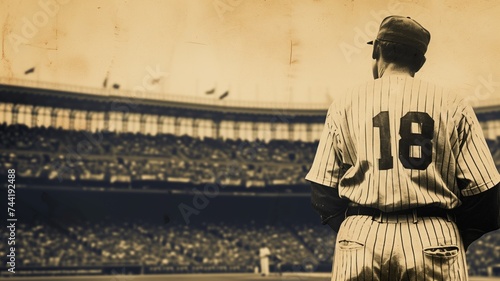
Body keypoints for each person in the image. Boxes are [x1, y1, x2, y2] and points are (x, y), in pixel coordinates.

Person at [306, 15, 500, 281]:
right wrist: (453, 233)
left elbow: (322, 190)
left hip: (361, 236)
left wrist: (352, 228)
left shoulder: (345, 103)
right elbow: (487, 194)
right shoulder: (454, 104)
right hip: (435, 235)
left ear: (377, 50)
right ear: (420, 62)